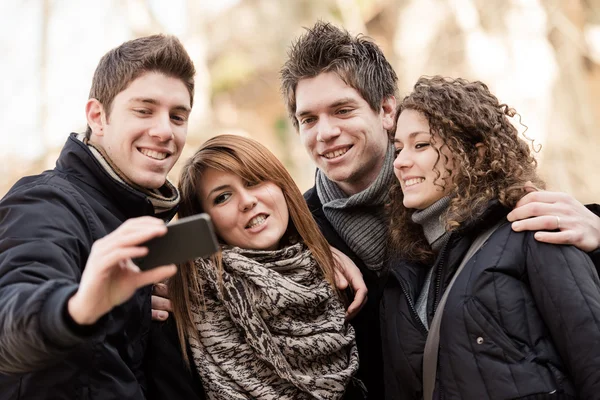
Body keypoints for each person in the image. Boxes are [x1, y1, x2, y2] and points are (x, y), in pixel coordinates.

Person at [279, 21, 600, 399]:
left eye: (342, 110)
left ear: (386, 109)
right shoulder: (292, 233)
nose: (324, 133)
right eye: (308, 119)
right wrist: (309, 247)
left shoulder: (474, 206)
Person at [0, 34, 195, 399]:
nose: (165, 131)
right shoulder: (46, 201)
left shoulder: (144, 218)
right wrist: (78, 307)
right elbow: (10, 321)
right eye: (144, 110)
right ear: (98, 117)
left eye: (177, 116)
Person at [381, 76, 600, 399]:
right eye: (398, 149)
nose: (400, 162)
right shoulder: (406, 276)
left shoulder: (530, 230)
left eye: (421, 145)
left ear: (475, 152)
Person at [145, 134, 363, 400]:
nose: (247, 200)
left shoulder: (339, 273)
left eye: (254, 181)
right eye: (223, 197)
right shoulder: (179, 304)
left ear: (282, 185)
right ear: (207, 222)